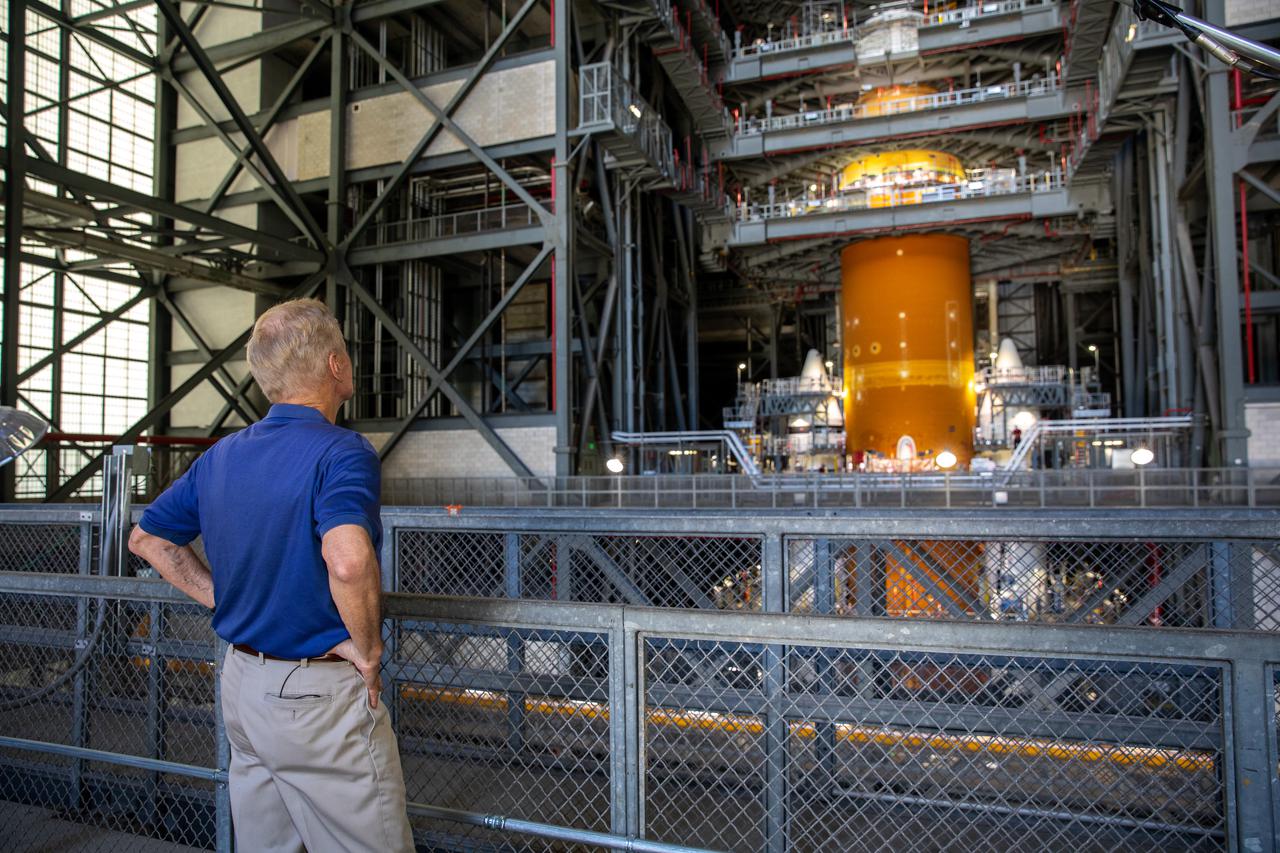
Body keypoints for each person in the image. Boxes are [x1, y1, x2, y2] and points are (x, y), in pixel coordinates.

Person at [129, 298, 414, 852]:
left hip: (241, 685)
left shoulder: (221, 455)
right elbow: (349, 559)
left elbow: (148, 540)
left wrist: (222, 597)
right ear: (336, 366)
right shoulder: (342, 451)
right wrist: (368, 649)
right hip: (314, 697)